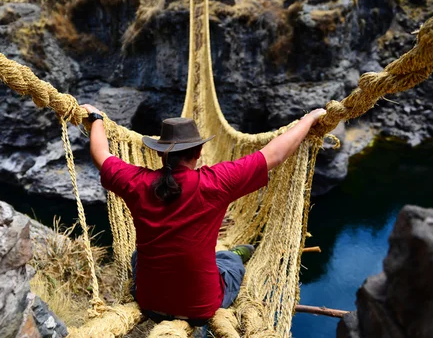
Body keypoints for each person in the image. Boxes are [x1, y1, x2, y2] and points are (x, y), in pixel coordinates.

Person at [81, 104, 326, 327]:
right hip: (201, 306)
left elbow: (101, 154)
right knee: (229, 262)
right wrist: (309, 118)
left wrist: (97, 118)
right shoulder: (216, 182)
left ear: (160, 153)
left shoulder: (137, 182)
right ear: (198, 152)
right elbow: (274, 155)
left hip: (149, 302)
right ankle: (235, 256)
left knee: (137, 255)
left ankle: (223, 258)